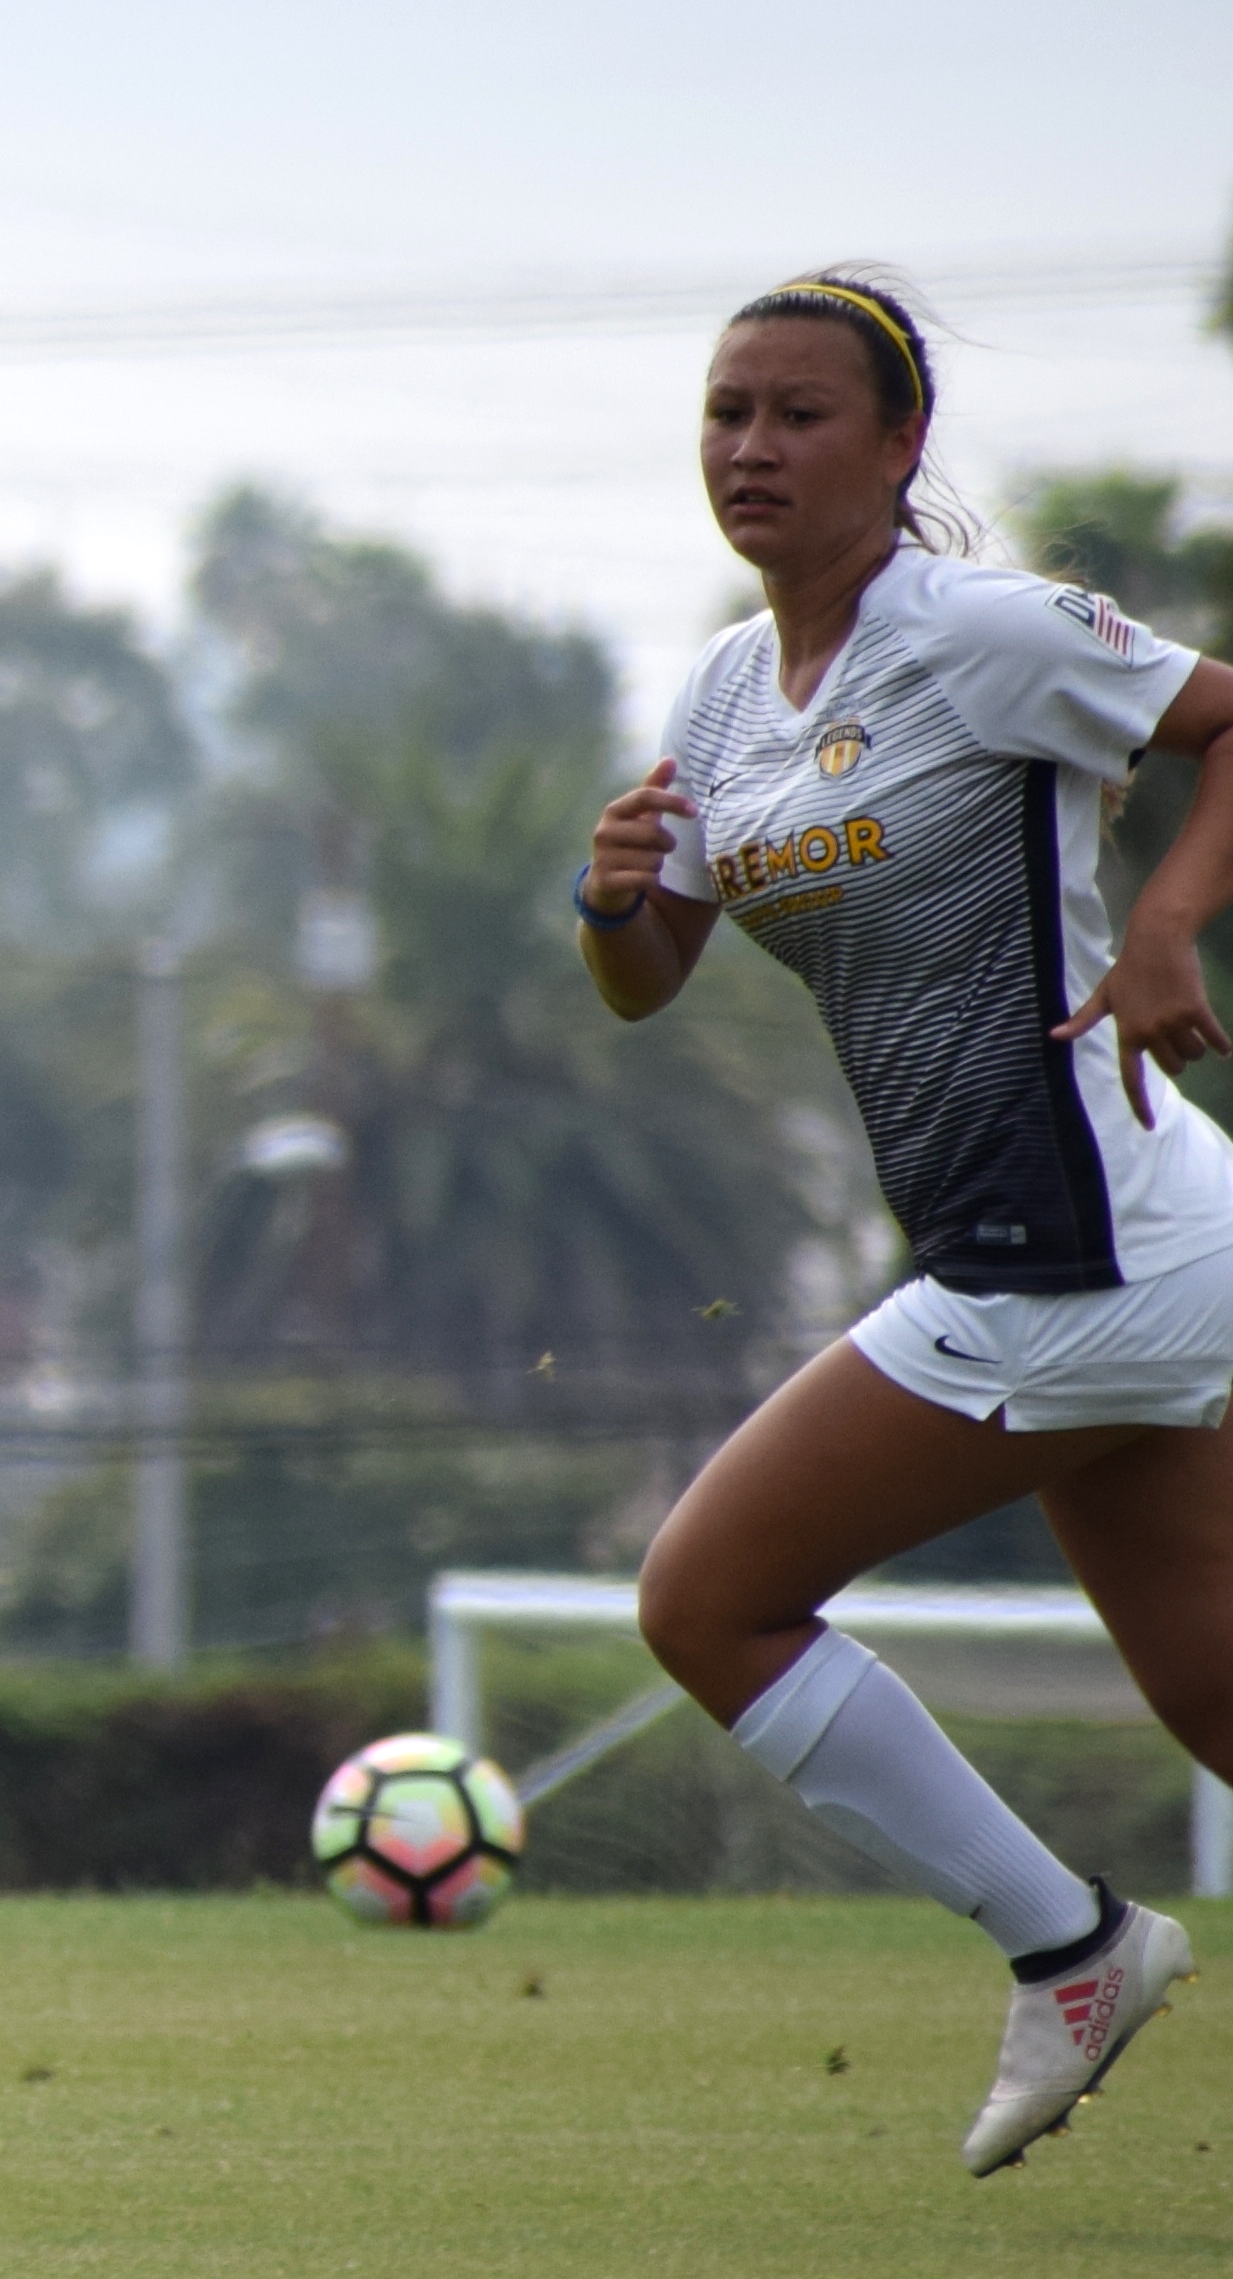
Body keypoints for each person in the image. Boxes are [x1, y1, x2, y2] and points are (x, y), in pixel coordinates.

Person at [578, 266, 1233, 2175]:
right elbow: (651, 977)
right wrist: (618, 897)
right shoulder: (724, 682)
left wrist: (1175, 920)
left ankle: (1073, 1945)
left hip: (1092, 1252)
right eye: (726, 412)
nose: (752, 447)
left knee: (706, 1598)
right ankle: (1078, 1943)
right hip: (1075, 1252)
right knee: (1214, 1692)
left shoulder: (979, 629)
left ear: (901, 446)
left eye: (798, 414)